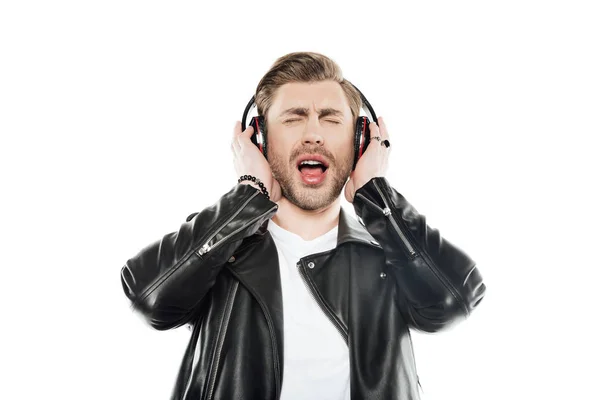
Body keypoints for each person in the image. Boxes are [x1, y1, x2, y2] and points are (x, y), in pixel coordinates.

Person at [120, 51, 486, 400]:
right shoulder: (221, 250)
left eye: (330, 119)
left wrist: (379, 197)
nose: (314, 134)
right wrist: (248, 195)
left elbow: (454, 301)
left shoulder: (389, 256)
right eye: (294, 118)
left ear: (359, 142)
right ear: (260, 140)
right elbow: (149, 298)